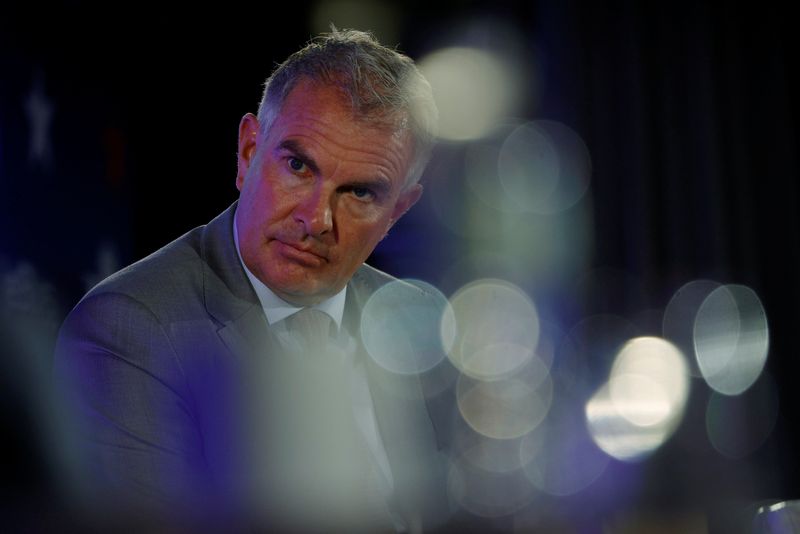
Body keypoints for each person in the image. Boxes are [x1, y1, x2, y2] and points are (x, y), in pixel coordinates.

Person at [54, 29, 448, 532]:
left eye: (361, 193)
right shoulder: (129, 331)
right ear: (247, 152)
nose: (317, 219)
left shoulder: (416, 325)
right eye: (298, 165)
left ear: (399, 210)